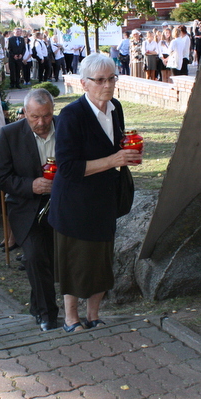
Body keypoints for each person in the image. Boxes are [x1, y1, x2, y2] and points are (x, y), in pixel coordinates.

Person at [48, 53, 140, 333]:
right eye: (100, 80)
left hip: (103, 199)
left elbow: (115, 146)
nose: (107, 85)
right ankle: (71, 318)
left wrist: (129, 153)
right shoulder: (71, 115)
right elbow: (67, 167)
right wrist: (113, 160)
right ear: (83, 83)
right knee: (75, 264)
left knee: (101, 261)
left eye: (112, 78)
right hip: (74, 203)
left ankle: (94, 314)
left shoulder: (116, 108)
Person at [0, 88, 59, 332]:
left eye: (46, 116)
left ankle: (38, 305)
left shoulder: (65, 128)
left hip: (61, 205)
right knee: (33, 256)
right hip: (26, 207)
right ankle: (47, 314)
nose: (41, 123)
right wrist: (30, 185)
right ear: (25, 113)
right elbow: (1, 177)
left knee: (50, 261)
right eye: (34, 117)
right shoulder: (10, 134)